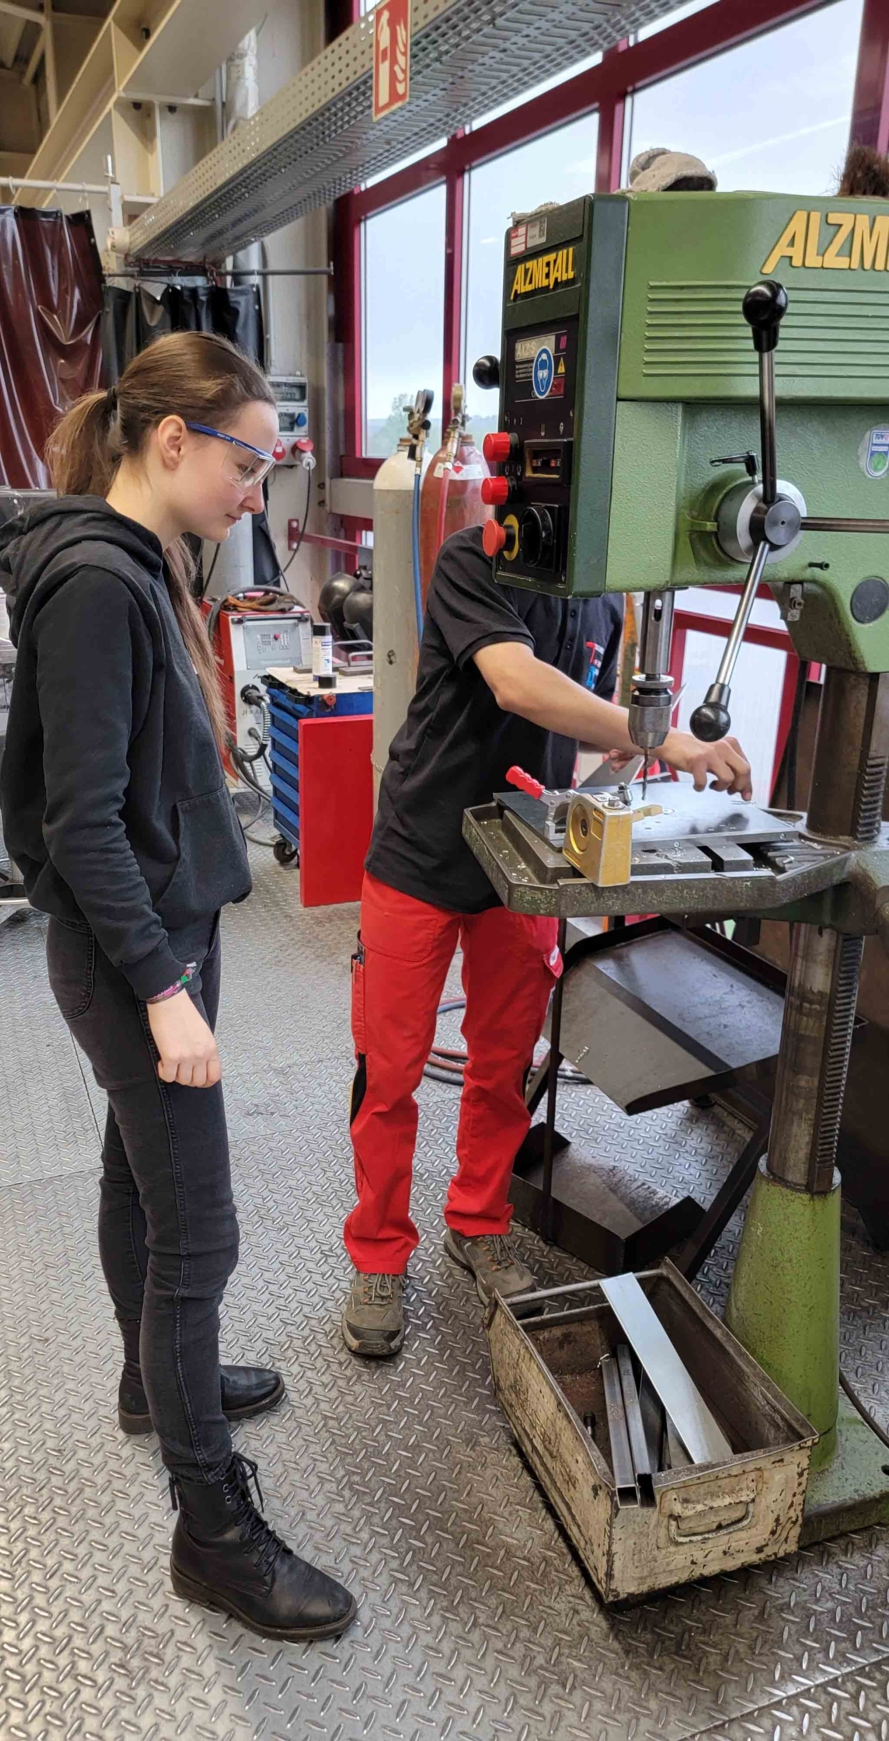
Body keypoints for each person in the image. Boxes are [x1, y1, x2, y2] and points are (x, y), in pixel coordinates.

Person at [0, 333, 356, 1642]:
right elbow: (83, 821)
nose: (258, 488)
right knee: (197, 1236)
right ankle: (214, 1533)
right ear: (171, 442)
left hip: (163, 923)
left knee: (131, 1181)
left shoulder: (145, 559)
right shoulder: (97, 580)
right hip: (131, 947)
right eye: (249, 458)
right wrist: (162, 990)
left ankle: (156, 1390)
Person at [341, 524, 752, 1358]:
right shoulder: (472, 560)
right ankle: (379, 1251)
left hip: (525, 861)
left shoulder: (607, 590)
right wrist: (656, 735)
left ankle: (478, 1219)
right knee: (390, 1071)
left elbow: (584, 733)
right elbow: (517, 682)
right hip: (419, 853)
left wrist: (626, 783)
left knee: (501, 1065)